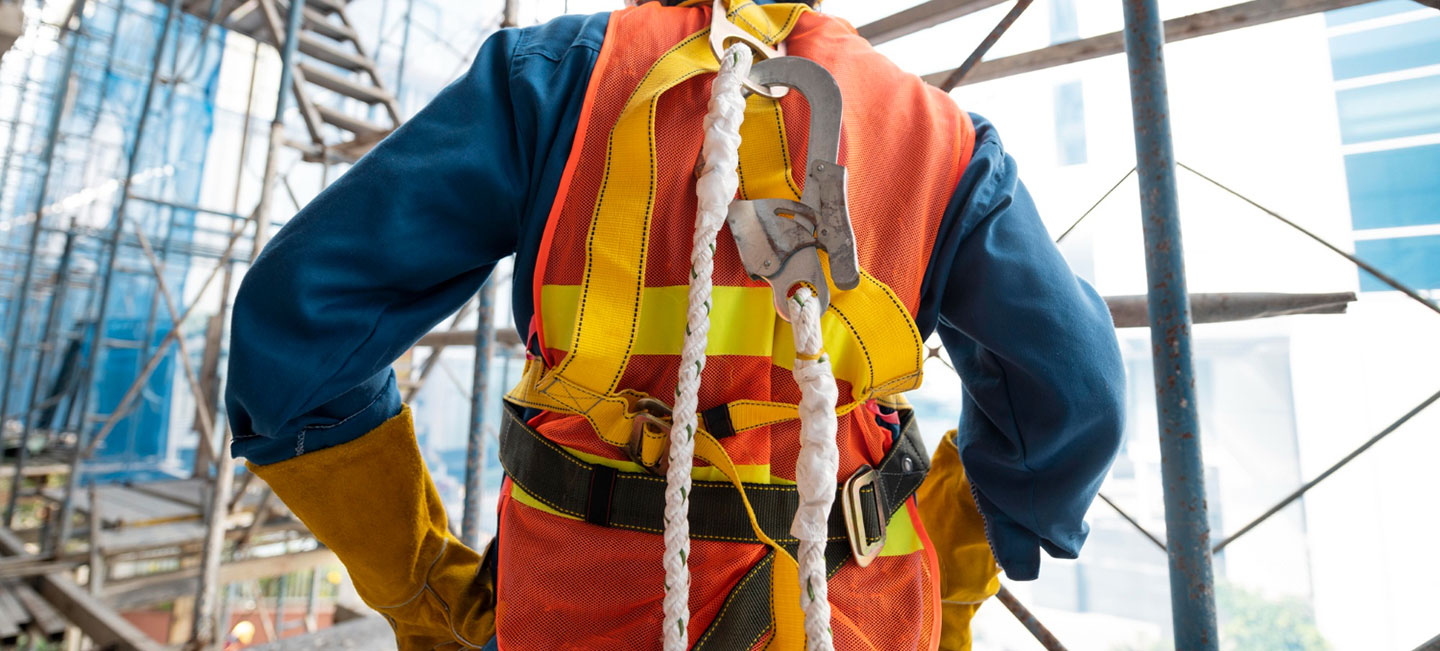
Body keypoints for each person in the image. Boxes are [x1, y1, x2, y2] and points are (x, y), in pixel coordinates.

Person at [225, 0, 1125, 649]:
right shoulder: (935, 137)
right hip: (864, 616)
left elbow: (297, 323)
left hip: (573, 614)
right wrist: (955, 577)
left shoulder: (557, 83)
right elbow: (1074, 389)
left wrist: (420, 585)